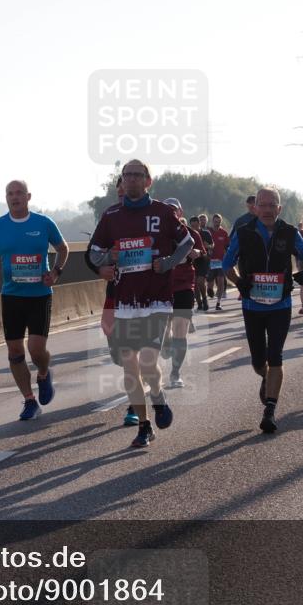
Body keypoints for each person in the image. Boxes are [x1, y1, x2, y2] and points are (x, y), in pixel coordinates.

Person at [88, 159, 193, 448]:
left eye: (137, 175)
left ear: (148, 181)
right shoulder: (111, 216)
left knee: (147, 362)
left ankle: (157, 396)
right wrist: (105, 263)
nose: (132, 179)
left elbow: (187, 243)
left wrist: (169, 262)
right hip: (125, 303)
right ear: (122, 181)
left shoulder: (163, 212)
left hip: (156, 301)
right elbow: (94, 252)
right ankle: (144, 426)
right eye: (127, 175)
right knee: (129, 368)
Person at [0, 179, 69, 421]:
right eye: (10, 193)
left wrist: (56, 272)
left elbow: (63, 249)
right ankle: (29, 400)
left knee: (36, 349)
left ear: (28, 197)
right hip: (11, 295)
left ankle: (44, 373)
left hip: (40, 295)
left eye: (19, 193)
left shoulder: (43, 223)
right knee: (15, 351)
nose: (15, 197)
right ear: (6, 198)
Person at [224, 188, 303, 434]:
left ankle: (270, 410)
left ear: (279, 209)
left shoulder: (290, 232)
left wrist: (302, 271)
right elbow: (227, 264)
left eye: (272, 205)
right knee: (257, 361)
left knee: (275, 356)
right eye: (262, 205)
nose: (267, 210)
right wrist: (239, 282)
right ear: (255, 208)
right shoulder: (244, 232)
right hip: (252, 305)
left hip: (280, 304)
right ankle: (265, 377)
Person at [86, 178, 138, 426]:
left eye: (125, 191)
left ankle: (135, 405)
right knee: (115, 345)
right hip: (115, 292)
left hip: (144, 295)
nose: (122, 195)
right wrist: (102, 267)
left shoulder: (154, 216)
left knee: (132, 353)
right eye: (119, 193)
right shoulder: (111, 218)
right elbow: (90, 255)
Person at [163, 198, 205, 387]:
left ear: (180, 212)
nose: (171, 213)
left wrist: (197, 252)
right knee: (164, 331)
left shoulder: (191, 233)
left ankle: (175, 373)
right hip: (162, 286)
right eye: (168, 209)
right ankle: (165, 343)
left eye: (174, 210)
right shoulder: (157, 234)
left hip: (184, 284)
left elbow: (202, 251)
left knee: (180, 330)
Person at [208, 214, 230, 309]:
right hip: (210, 261)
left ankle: (218, 302)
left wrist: (228, 257)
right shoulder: (208, 232)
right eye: (215, 221)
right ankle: (209, 290)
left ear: (221, 222)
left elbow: (227, 247)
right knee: (210, 283)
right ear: (212, 221)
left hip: (221, 261)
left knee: (221, 281)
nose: (217, 223)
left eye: (219, 222)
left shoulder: (224, 233)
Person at [189, 215, 210, 312]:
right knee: (195, 284)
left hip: (203, 260)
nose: (194, 228)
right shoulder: (189, 234)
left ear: (199, 224)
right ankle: (199, 303)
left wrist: (208, 246)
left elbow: (212, 245)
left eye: (196, 225)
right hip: (193, 261)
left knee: (200, 281)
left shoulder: (205, 233)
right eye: (192, 226)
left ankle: (205, 299)